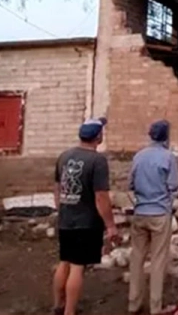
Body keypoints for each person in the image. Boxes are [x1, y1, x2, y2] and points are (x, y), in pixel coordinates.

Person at [52, 117, 118, 315]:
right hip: (86, 221)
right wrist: (111, 225)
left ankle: (57, 305)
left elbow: (57, 188)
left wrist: (61, 209)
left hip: (66, 218)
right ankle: (70, 311)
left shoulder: (64, 156)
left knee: (64, 261)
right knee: (78, 267)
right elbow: (101, 197)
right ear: (98, 136)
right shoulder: (97, 161)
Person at [128, 120, 178, 315]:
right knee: (158, 261)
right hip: (160, 214)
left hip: (140, 212)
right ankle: (156, 307)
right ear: (166, 136)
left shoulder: (139, 156)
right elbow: (173, 185)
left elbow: (130, 184)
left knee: (137, 258)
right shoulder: (168, 157)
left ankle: (133, 304)